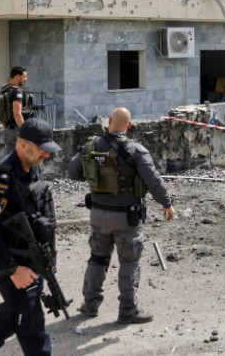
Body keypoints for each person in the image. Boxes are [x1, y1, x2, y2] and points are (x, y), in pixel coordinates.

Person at [67, 107, 175, 324]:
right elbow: (153, 181)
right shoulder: (135, 150)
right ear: (129, 125)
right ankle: (128, 311)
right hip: (126, 218)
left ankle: (89, 305)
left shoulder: (90, 147)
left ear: (109, 121)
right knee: (129, 263)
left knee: (97, 259)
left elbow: (72, 171)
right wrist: (167, 204)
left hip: (97, 214)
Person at [0, 118, 62, 356]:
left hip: (34, 264)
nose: (46, 155)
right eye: (42, 149)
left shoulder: (31, 170)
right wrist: (13, 270)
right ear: (22, 145)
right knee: (35, 333)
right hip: (12, 268)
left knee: (11, 317)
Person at [0, 66, 30, 154]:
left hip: (8, 130)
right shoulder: (17, 92)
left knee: (10, 158)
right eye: (24, 76)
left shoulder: (6, 89)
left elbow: (3, 112)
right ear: (18, 77)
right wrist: (26, 131)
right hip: (17, 131)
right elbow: (17, 114)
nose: (26, 79)